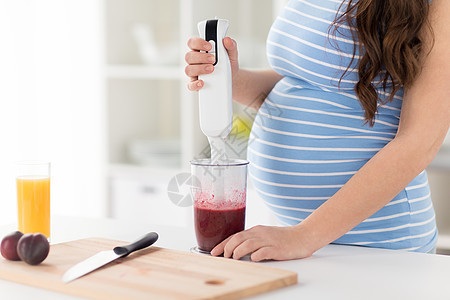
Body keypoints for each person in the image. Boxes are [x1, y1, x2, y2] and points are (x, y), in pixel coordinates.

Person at [184, 0, 450, 261]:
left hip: (380, 247)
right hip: (305, 240)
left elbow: (419, 143)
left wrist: (305, 236)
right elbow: (303, 82)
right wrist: (231, 79)